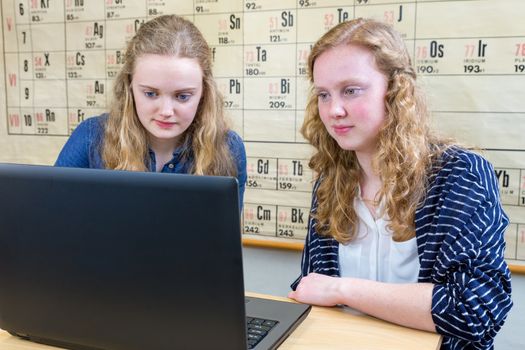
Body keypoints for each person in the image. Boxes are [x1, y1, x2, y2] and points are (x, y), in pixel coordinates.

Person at [288, 18, 512, 350]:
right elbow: (311, 287)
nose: (333, 110)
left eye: (351, 90)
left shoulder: (459, 174)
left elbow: (474, 309)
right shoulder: (330, 179)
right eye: (323, 94)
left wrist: (341, 289)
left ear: (395, 92)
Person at [55, 15, 246, 207]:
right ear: (130, 87)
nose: (166, 111)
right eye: (150, 93)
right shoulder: (90, 137)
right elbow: (52, 216)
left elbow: (223, 234)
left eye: (182, 96)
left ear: (204, 93)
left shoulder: (229, 148)